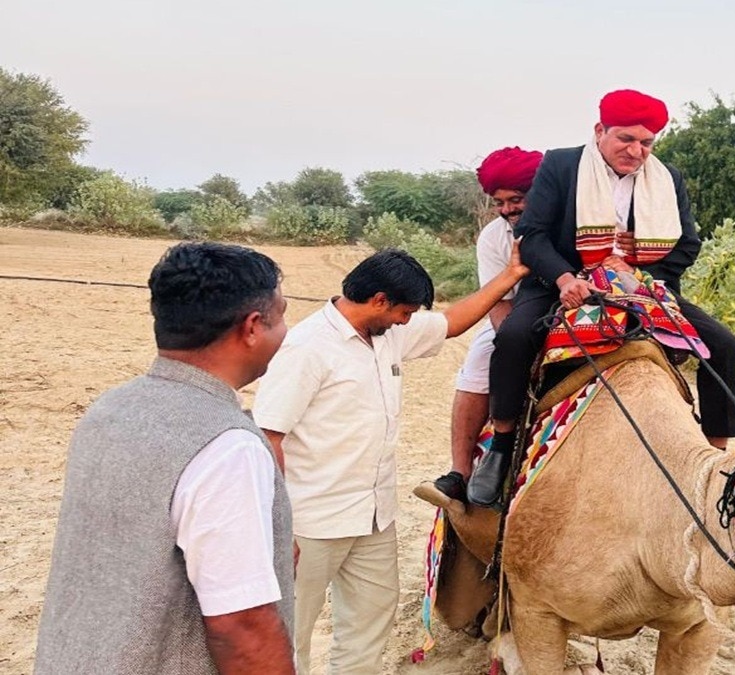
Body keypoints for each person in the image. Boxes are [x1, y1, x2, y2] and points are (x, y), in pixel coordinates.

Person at [252, 247, 526, 674]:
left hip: (374, 517)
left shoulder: (387, 333)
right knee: (289, 634)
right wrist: (275, 523)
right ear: (379, 300)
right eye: (404, 311)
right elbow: (268, 437)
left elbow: (451, 323)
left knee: (368, 625)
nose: (407, 321)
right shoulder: (307, 348)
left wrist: (510, 275)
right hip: (310, 521)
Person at [467, 88, 735, 507]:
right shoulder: (561, 164)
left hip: (637, 287)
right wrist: (562, 278)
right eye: (626, 139)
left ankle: (713, 458)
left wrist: (639, 275)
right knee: (513, 337)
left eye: (646, 142)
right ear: (600, 131)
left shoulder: (667, 179)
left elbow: (687, 244)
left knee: (725, 345)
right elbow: (534, 234)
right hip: (561, 284)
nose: (636, 151)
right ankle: (502, 446)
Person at [35, 242, 295, 674]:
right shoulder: (227, 446)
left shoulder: (110, 409)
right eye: (282, 314)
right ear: (252, 327)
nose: (286, 330)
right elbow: (242, 627)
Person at [430, 146, 543, 502]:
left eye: (517, 199)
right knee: (481, 361)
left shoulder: (568, 222)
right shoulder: (493, 237)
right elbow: (498, 304)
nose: (507, 209)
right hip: (513, 316)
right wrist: (521, 345)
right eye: (500, 202)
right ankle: (460, 472)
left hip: (572, 309)